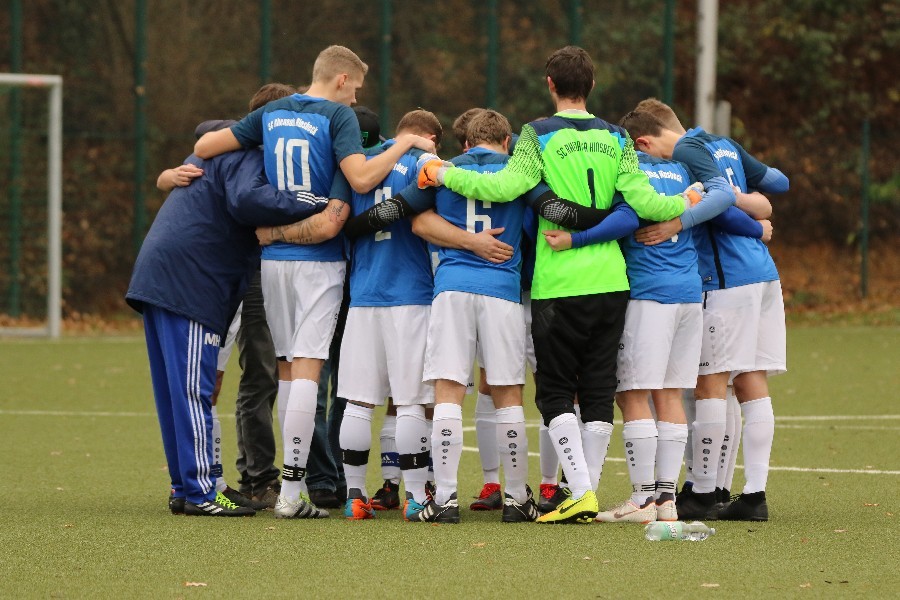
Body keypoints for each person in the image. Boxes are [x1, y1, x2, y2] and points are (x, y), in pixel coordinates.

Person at [418, 46, 690, 524]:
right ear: (592, 86)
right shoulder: (617, 136)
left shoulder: (535, 135)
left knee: (556, 391)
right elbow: (645, 201)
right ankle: (582, 490)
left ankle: (579, 490)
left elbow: (502, 188)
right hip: (611, 280)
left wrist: (445, 171)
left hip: (558, 283)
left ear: (550, 84)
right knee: (601, 390)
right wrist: (686, 199)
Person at [194, 45, 435, 519]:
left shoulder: (271, 112)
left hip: (273, 260)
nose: (355, 100)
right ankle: (290, 494)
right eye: (357, 90)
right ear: (342, 79)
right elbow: (362, 180)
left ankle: (291, 490)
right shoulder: (336, 117)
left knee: (286, 369)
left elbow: (204, 148)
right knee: (307, 369)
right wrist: (405, 143)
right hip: (319, 260)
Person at [126, 117, 333, 517]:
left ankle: (188, 487)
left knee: (176, 393)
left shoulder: (222, 152)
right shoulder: (245, 155)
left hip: (167, 279)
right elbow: (246, 202)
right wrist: (315, 200)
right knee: (192, 392)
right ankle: (202, 491)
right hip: (187, 283)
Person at [620, 98, 789, 521]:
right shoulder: (724, 142)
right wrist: (756, 210)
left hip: (726, 278)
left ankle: (703, 490)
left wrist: (683, 221)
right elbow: (778, 186)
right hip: (763, 274)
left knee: (709, 383)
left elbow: (718, 209)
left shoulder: (686, 153)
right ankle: (753, 495)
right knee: (750, 380)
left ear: (644, 140)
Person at [156, 83, 298, 511]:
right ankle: (204, 482)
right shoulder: (238, 145)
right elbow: (228, 183)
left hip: (240, 275)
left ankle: (224, 480)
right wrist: (167, 176)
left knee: (248, 375)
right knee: (205, 384)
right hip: (212, 280)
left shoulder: (269, 150)